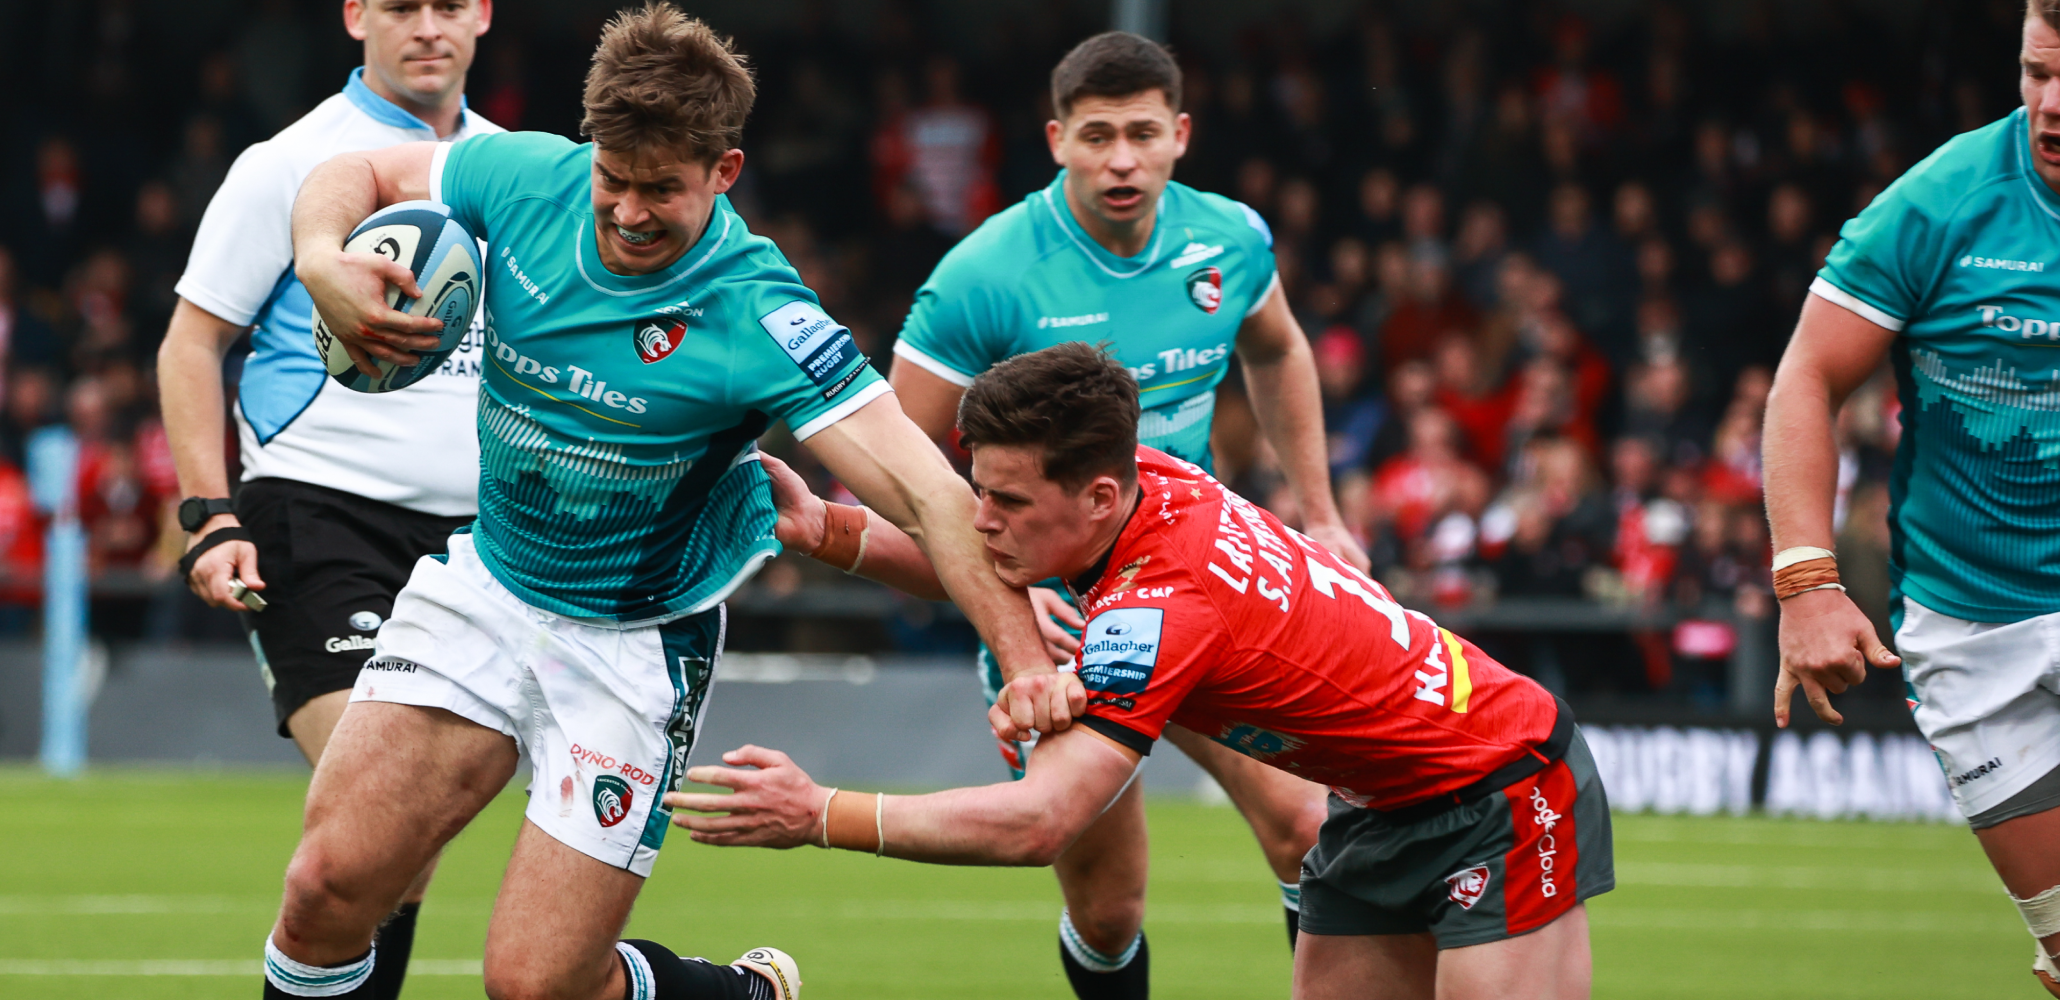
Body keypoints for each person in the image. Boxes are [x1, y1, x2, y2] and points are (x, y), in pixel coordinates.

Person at [264, 6, 1067, 999]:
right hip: (490, 582)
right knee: (323, 889)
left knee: (535, 984)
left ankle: (741, 995)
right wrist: (319, 257)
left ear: (724, 174)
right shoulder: (525, 179)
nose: (630, 212)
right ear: (588, 149)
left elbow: (928, 493)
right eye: (614, 180)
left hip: (634, 639)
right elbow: (368, 171)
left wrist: (1027, 664)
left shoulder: (760, 315)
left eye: (663, 190)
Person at [675, 342, 1612, 1000]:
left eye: (1004, 500)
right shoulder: (1142, 483)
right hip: (1377, 807)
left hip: (1500, 783)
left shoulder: (1161, 605)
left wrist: (820, 813)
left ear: (1097, 496)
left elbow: (1037, 823)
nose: (981, 520)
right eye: (979, 494)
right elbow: (987, 556)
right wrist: (828, 529)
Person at [884, 32, 1366, 998]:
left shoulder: (1228, 239)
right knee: (1109, 908)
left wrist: (1321, 513)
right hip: (1064, 616)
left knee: (1310, 829)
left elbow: (1276, 351)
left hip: (1203, 586)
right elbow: (897, 464)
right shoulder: (985, 274)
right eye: (1097, 135)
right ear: (1056, 138)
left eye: (1142, 134)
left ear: (1179, 135)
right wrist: (1011, 614)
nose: (1121, 159)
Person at [155, 3, 500, 995]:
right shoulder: (288, 162)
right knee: (381, 808)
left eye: (448, 4)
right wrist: (209, 518)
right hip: (317, 515)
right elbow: (192, 342)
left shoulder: (517, 170)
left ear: (482, 13)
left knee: (398, 837)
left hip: (489, 544)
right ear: (356, 16)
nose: (426, 26)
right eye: (400, 6)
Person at [1763, 4, 2060, 996]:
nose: (2052, 102)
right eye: (2037, 72)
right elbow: (1806, 382)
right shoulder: (1943, 201)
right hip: (1966, 626)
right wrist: (1806, 582)